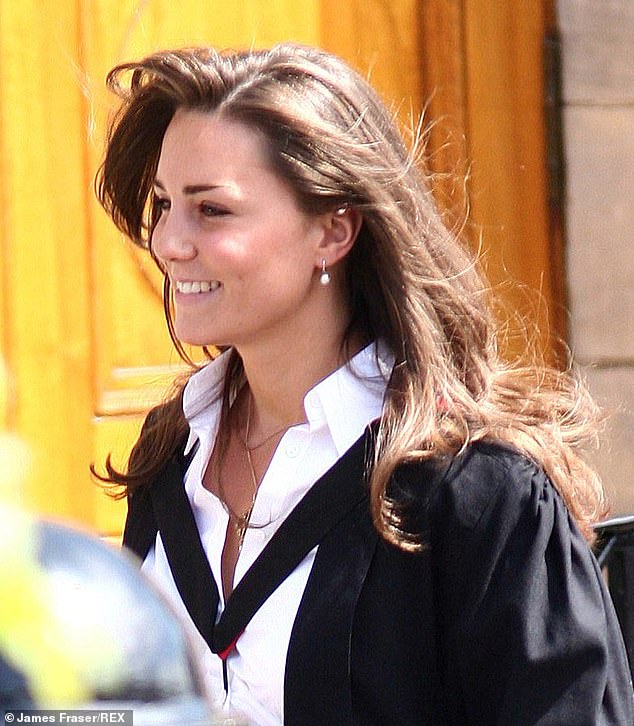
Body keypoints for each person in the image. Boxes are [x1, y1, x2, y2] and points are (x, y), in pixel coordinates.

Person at [94, 43, 634, 725]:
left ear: (334, 232)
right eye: (165, 204)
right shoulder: (172, 451)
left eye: (212, 211)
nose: (170, 242)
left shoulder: (475, 492)